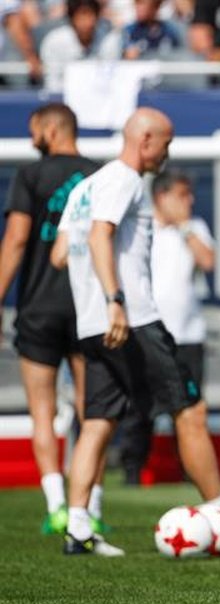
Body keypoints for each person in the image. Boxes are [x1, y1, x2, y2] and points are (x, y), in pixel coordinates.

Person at [52, 107, 220, 556]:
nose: (168, 151)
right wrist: (115, 299)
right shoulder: (124, 179)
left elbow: (60, 254)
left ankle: (79, 528)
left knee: (97, 422)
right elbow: (102, 235)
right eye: (166, 142)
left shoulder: (82, 189)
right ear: (145, 140)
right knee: (190, 411)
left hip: (91, 323)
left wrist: (94, 294)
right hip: (132, 319)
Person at [0, 103, 103, 536]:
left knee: (42, 413)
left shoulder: (31, 175)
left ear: (50, 129)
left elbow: (17, 239)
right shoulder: (100, 175)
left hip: (39, 309)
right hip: (86, 307)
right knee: (91, 411)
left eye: (34, 131)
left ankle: (58, 506)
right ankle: (90, 507)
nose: (31, 139)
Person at [116, 168, 216, 485]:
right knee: (139, 409)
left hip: (188, 335)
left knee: (188, 410)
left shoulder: (195, 227)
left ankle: (192, 473)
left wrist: (185, 227)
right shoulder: (140, 228)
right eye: (182, 195)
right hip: (146, 333)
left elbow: (208, 262)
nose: (190, 201)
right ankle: (132, 472)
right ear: (162, 196)